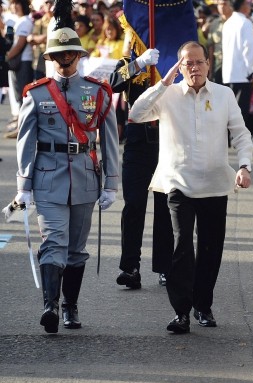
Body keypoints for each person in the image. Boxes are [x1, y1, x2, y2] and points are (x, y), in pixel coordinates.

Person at [128, 41, 253, 334]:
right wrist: (163, 83)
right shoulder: (168, 94)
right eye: (187, 63)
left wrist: (245, 165)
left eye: (199, 62)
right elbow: (136, 113)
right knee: (181, 245)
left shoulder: (223, 95)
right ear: (179, 67)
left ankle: (203, 305)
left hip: (214, 184)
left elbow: (241, 133)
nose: (194, 68)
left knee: (210, 248)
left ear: (208, 64)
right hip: (177, 183)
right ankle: (181, 311)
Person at [13, 1, 119, 334]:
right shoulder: (37, 94)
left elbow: (110, 139)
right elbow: (26, 141)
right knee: (53, 243)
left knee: (76, 250)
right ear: (51, 58)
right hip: (48, 177)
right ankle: (50, 306)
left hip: (85, 177)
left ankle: (70, 305)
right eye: (58, 55)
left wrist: (111, 183)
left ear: (78, 55)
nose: (64, 60)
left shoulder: (98, 92)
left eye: (69, 54)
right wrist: (23, 186)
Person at [109, 48, 174, 289]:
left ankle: (166, 266)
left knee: (165, 207)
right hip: (138, 141)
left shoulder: (173, 57)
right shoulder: (129, 62)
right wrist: (139, 63)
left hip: (168, 139)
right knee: (134, 205)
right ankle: (130, 267)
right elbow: (112, 84)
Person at [221, 0, 253, 130]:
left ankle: (229, 138)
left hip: (228, 73)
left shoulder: (227, 23)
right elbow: (248, 50)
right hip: (243, 73)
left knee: (229, 109)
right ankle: (239, 139)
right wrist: (252, 71)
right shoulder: (246, 23)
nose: (250, 6)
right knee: (241, 110)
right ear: (243, 6)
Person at [5, 0, 34, 139]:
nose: (14, 6)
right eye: (13, 3)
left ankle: (22, 128)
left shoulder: (25, 21)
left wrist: (6, 57)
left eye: (17, 3)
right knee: (18, 96)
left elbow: (20, 43)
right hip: (17, 62)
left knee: (23, 96)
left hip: (23, 62)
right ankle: (19, 126)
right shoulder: (17, 21)